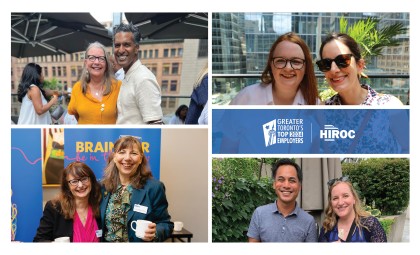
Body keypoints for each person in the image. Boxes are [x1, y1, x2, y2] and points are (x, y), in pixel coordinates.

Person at [100, 136, 173, 242]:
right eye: (122, 152)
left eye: (134, 153)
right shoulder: (103, 187)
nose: (127, 158)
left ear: (140, 159)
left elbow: (166, 224)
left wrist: (155, 233)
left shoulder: (154, 188)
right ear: (114, 157)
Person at [230, 32, 319, 105]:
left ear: (306, 68)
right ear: (271, 65)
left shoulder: (316, 106)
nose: (288, 68)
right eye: (280, 61)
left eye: (296, 61)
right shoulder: (246, 97)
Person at [316, 33, 403, 105]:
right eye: (326, 64)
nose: (333, 69)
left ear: (360, 65)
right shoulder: (322, 111)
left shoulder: (389, 105)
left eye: (342, 60)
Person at [247, 158, 317, 242]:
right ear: (274, 184)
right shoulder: (259, 214)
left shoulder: (308, 221)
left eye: (292, 180)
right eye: (281, 179)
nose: (286, 185)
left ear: (299, 187)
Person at [34, 162, 102, 242]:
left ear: (91, 181)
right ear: (67, 186)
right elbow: (39, 241)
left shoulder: (101, 204)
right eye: (74, 181)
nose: (80, 185)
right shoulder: (54, 208)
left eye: (84, 179)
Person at [113, 23, 163, 124]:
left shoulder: (143, 79)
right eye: (117, 45)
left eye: (126, 45)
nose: (121, 50)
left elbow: (155, 125)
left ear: (136, 48)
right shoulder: (128, 75)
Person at [318, 176, 387, 242]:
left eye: (345, 196)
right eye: (335, 198)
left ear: (354, 199)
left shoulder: (369, 224)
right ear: (331, 203)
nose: (340, 202)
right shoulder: (327, 228)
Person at [67, 41, 122, 124]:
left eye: (101, 58)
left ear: (106, 64)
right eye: (92, 58)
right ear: (86, 63)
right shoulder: (77, 88)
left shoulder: (118, 87)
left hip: (111, 136)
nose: (96, 62)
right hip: (85, 136)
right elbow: (76, 115)